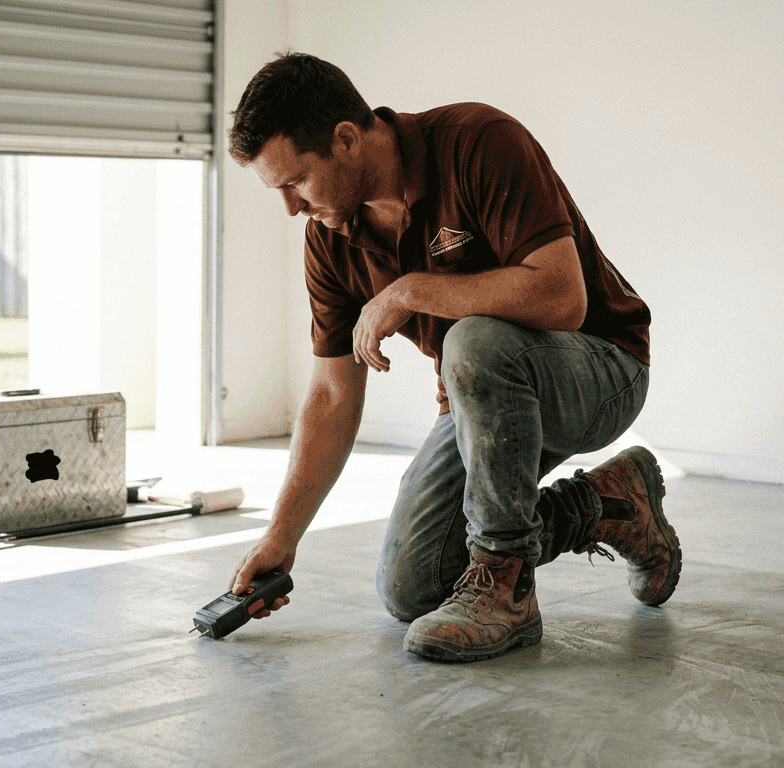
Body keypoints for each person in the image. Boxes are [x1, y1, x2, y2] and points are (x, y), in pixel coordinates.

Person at [226, 52, 681, 662]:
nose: (290, 208)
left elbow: (563, 297)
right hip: (486, 401)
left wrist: (413, 290)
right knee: (411, 585)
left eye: (295, 182)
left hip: (601, 368)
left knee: (472, 338)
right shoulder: (329, 238)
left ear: (345, 139)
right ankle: (610, 504)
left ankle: (505, 589)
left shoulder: (479, 143)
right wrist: (281, 538)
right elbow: (333, 393)